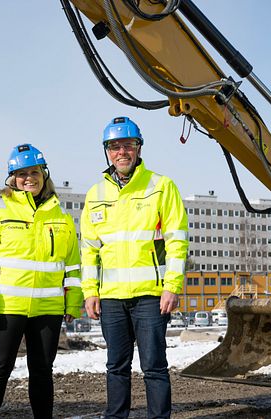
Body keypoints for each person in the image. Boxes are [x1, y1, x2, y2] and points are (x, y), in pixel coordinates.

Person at [81, 116, 189, 418]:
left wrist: (172, 286)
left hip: (151, 296)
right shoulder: (95, 194)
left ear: (138, 148)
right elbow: (89, 250)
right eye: (114, 147)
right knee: (116, 366)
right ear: (107, 152)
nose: (121, 152)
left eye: (128, 145)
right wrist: (90, 292)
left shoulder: (161, 186)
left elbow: (177, 241)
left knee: (154, 366)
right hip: (112, 298)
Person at [0, 143, 83, 419]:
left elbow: (73, 266)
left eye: (34, 171)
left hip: (49, 309)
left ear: (44, 174)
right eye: (21, 173)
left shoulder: (62, 217)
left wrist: (73, 302)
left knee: (42, 371)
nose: (28, 177)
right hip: (8, 306)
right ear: (12, 179)